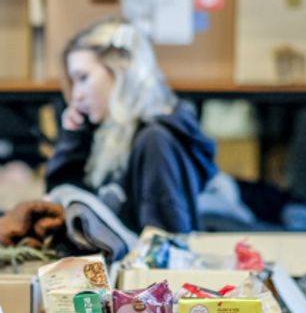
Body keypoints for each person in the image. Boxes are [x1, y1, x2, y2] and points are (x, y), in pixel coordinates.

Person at [45, 19, 217, 235]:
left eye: (83, 78)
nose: (76, 95)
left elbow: (161, 249)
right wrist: (74, 139)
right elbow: (63, 207)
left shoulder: (155, 141)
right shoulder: (108, 135)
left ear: (121, 72)